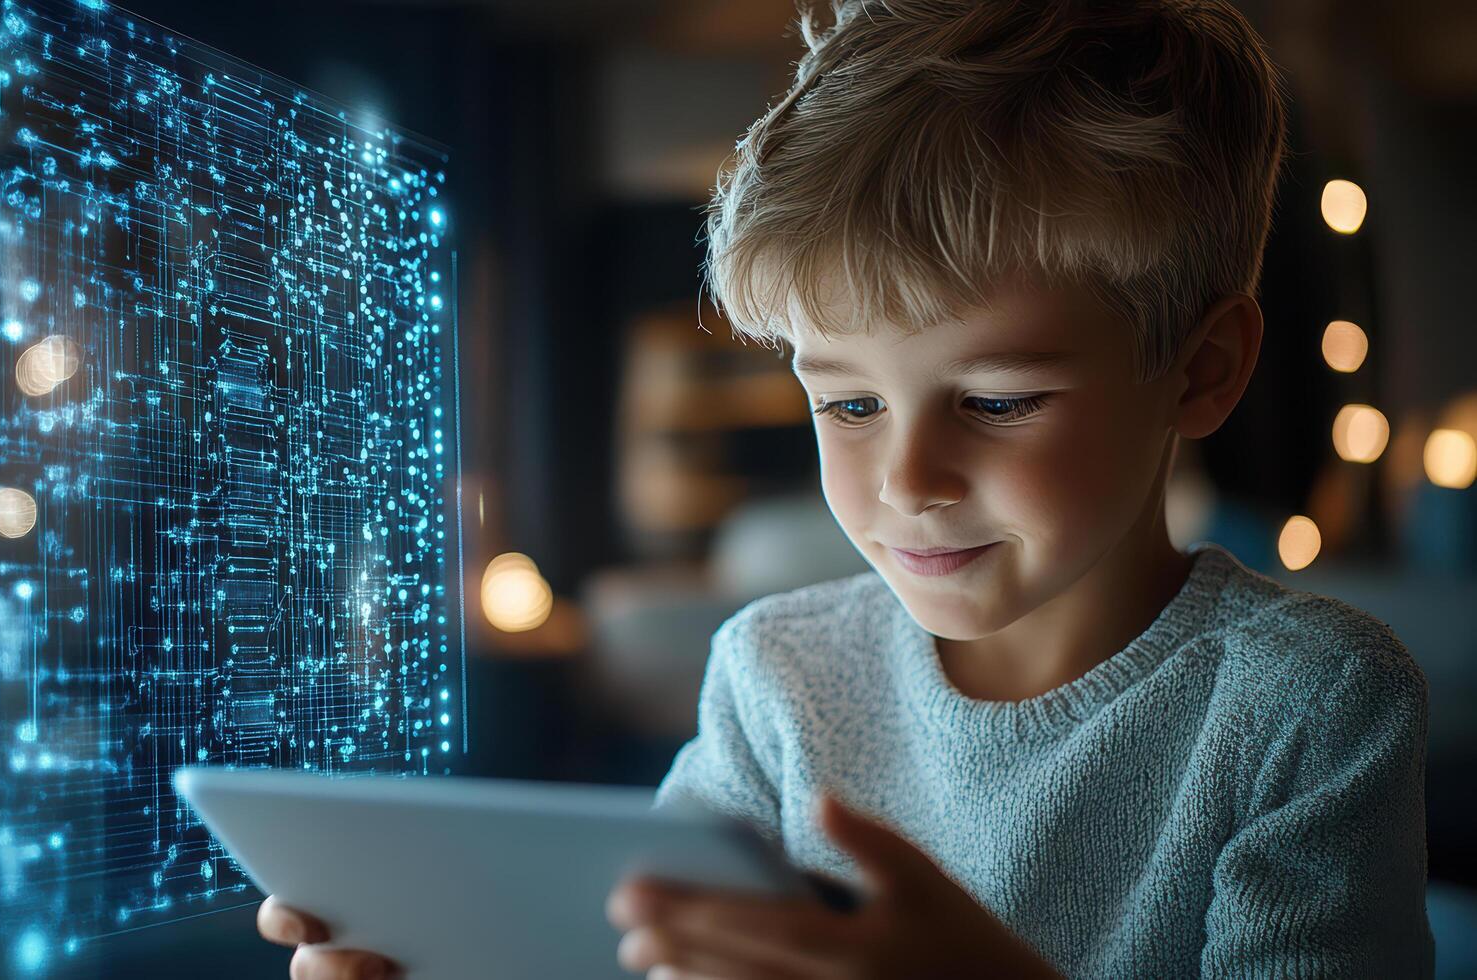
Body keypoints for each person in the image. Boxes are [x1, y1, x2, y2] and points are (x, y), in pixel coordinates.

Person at [258, 0, 1434, 975]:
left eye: (997, 401)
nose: (908, 480)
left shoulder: (1308, 702)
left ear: (1203, 369)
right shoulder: (774, 673)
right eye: (852, 405)